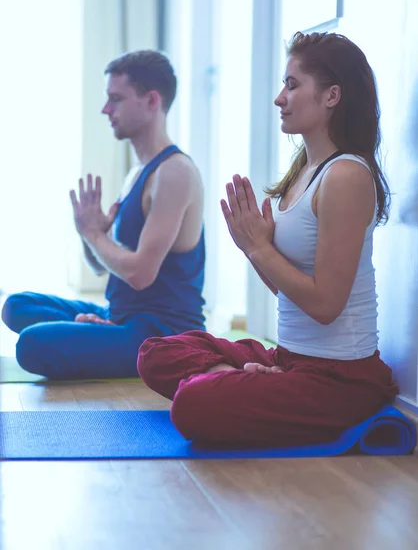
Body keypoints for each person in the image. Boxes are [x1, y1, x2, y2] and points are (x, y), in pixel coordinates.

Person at [137, 31, 399, 448]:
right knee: (155, 353)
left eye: (292, 85)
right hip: (289, 359)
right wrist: (254, 249)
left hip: (340, 381)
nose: (280, 98)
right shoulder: (303, 172)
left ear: (332, 96)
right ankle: (246, 380)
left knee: (191, 405)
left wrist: (259, 248)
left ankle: (239, 384)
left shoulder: (346, 176)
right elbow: (289, 292)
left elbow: (327, 306)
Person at [2, 50, 205, 380]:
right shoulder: (137, 173)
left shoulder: (174, 173)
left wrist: (95, 235)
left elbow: (140, 274)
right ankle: (100, 333)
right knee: (17, 305)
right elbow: (102, 265)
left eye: (116, 99)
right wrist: (89, 233)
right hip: (121, 315)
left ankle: (102, 337)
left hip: (161, 334)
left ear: (151, 101)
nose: (105, 109)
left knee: (31, 344)